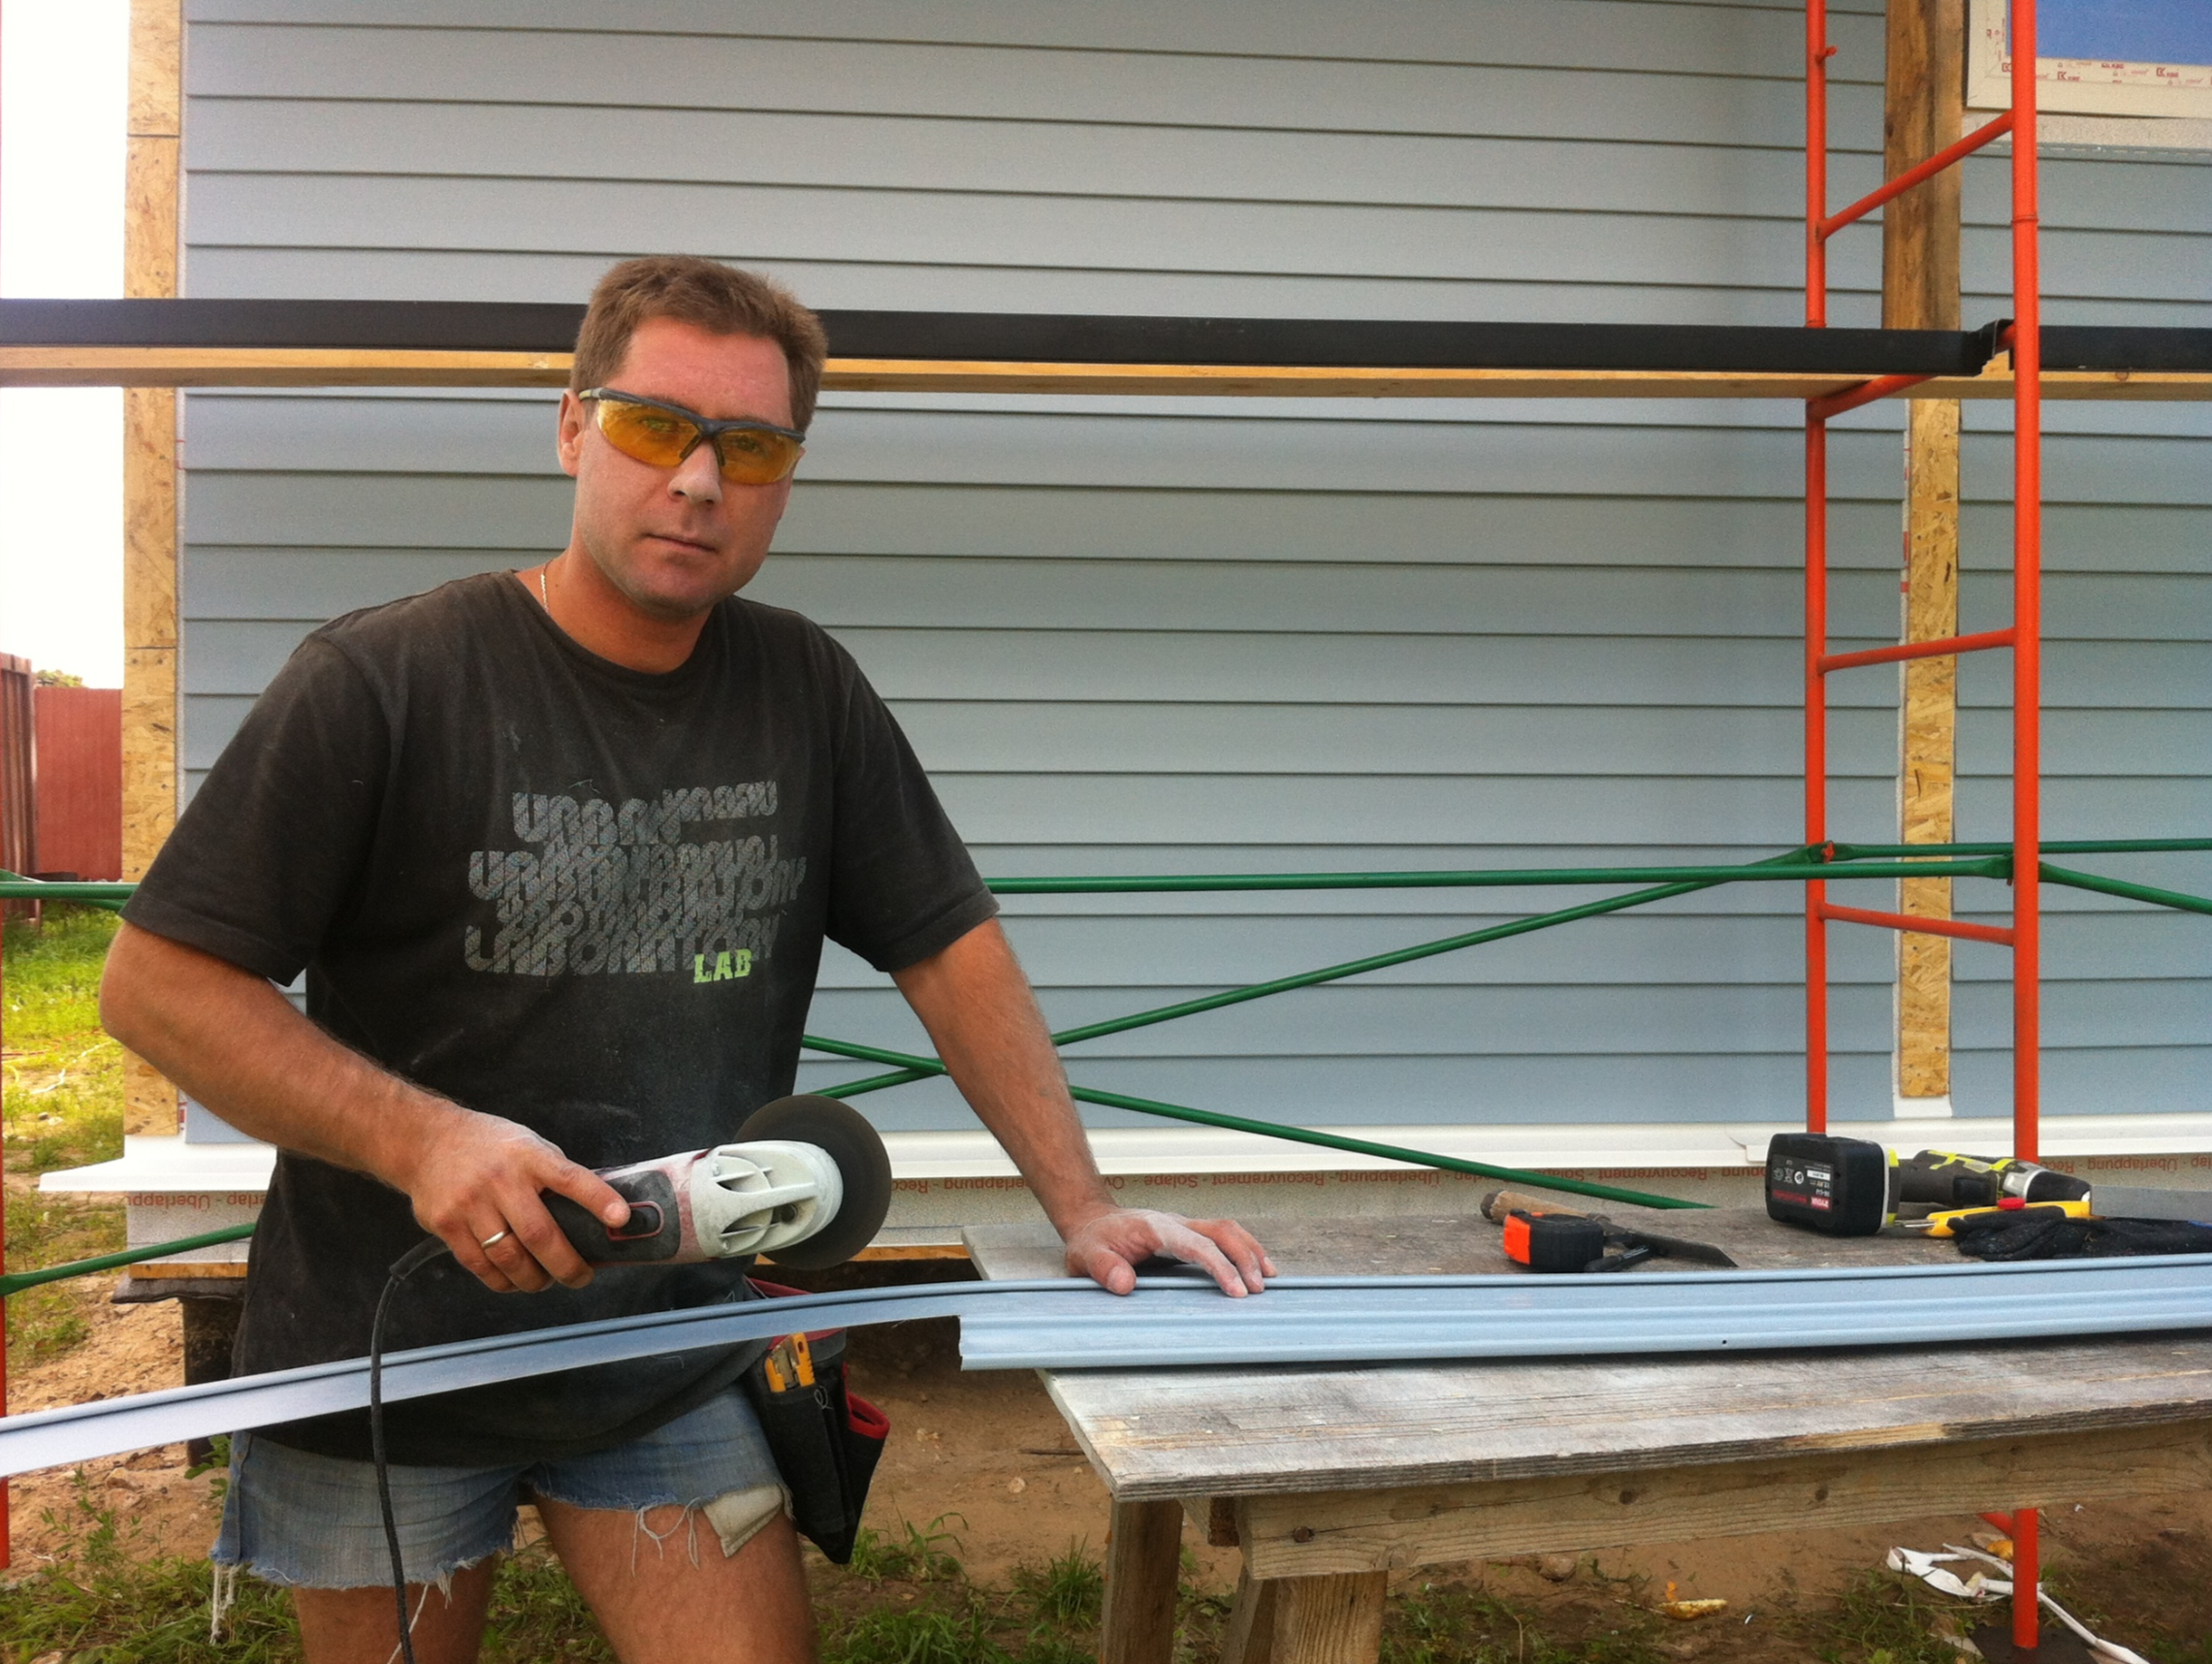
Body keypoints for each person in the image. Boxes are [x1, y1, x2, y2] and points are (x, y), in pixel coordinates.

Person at [100, 255, 1274, 1664]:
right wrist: (425, 1141)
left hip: (658, 1348)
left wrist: (1082, 1206)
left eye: (752, 447)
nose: (700, 480)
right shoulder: (384, 683)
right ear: (571, 428)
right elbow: (156, 985)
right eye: (656, 427)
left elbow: (950, 948)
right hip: (381, 1353)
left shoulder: (804, 691)